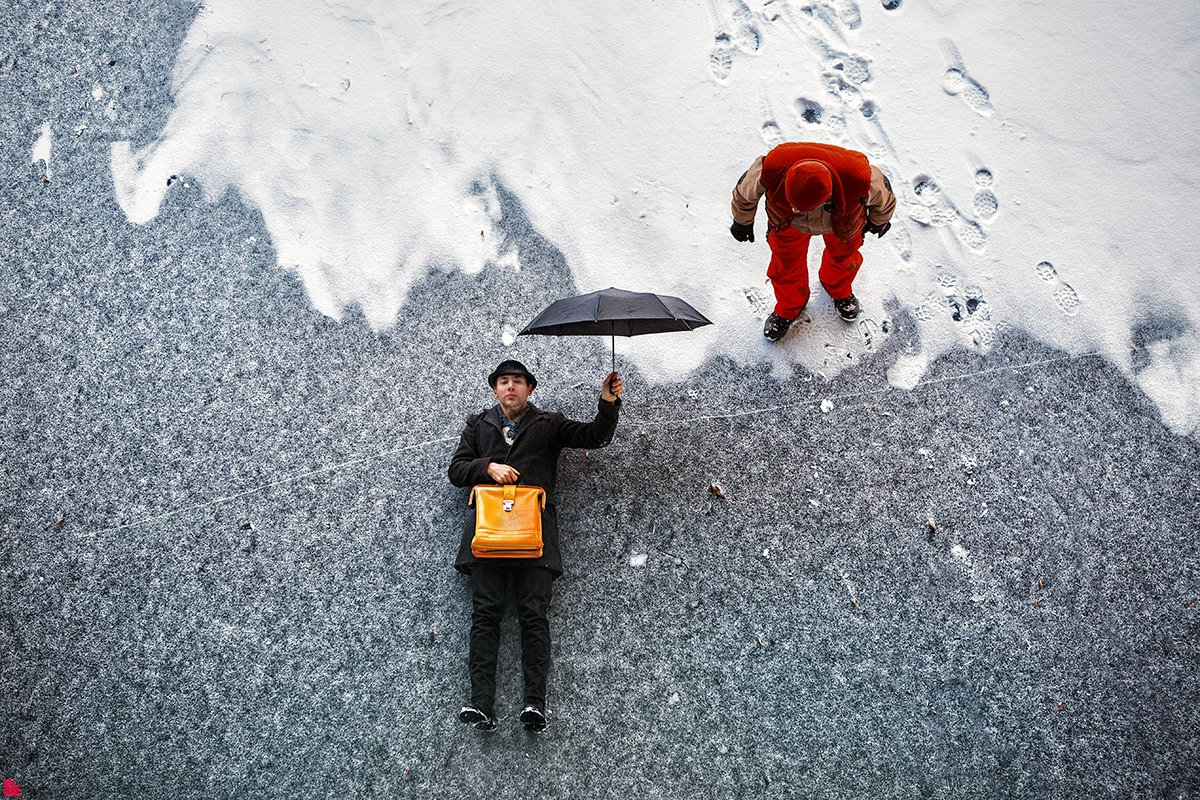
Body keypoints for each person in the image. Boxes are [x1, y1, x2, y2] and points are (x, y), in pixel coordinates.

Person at [448, 359, 622, 732]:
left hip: (535, 536)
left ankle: (534, 705)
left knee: (533, 616)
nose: (510, 386)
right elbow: (456, 470)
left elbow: (595, 436)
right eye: (504, 381)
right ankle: (481, 704)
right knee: (485, 616)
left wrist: (607, 403)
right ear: (495, 389)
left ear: (530, 389)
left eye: (518, 381)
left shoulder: (549, 423)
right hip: (487, 537)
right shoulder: (477, 425)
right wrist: (488, 467)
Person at [730, 141, 897, 341]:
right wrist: (742, 222)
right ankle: (790, 307)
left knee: (844, 259)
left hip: (843, 221)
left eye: (798, 207)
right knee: (785, 265)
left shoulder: (860, 177)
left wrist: (878, 222)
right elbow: (744, 194)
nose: (794, 208)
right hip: (787, 223)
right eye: (792, 203)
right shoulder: (772, 167)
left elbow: (884, 200)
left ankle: (838, 289)